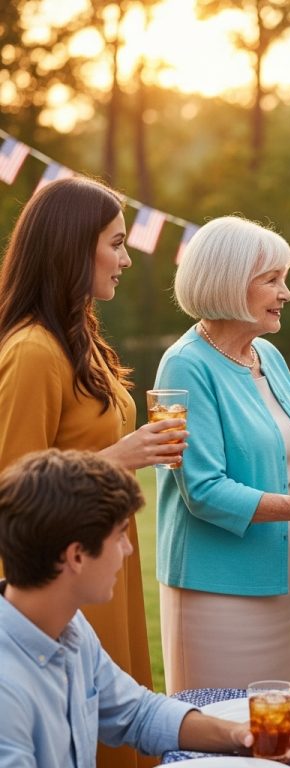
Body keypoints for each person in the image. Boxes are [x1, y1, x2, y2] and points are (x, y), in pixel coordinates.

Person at [0, 177, 187, 768]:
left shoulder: (81, 340)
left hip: (108, 564)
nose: (127, 258)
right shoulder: (32, 351)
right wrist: (120, 458)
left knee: (124, 717)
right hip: (64, 576)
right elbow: (14, 489)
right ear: (72, 247)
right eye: (116, 243)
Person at [155, 215, 290, 694]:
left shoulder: (267, 356)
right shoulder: (185, 364)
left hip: (280, 579)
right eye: (273, 280)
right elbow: (204, 490)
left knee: (281, 727)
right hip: (214, 588)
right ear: (231, 284)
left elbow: (284, 461)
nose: (287, 293)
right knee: (226, 734)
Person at [0, 448, 290, 768]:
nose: (128, 549)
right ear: (76, 556)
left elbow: (137, 713)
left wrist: (242, 735)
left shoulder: (68, 627)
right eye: (119, 537)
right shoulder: (7, 686)